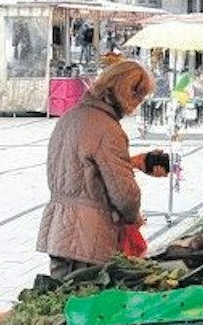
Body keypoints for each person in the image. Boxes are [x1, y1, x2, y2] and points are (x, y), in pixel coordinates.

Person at [36, 60, 169, 277]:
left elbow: (78, 170)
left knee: (62, 298)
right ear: (128, 93)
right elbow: (125, 195)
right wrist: (133, 216)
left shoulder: (70, 117)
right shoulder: (107, 128)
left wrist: (131, 162)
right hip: (89, 237)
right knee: (84, 302)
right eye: (139, 97)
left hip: (59, 229)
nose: (137, 105)